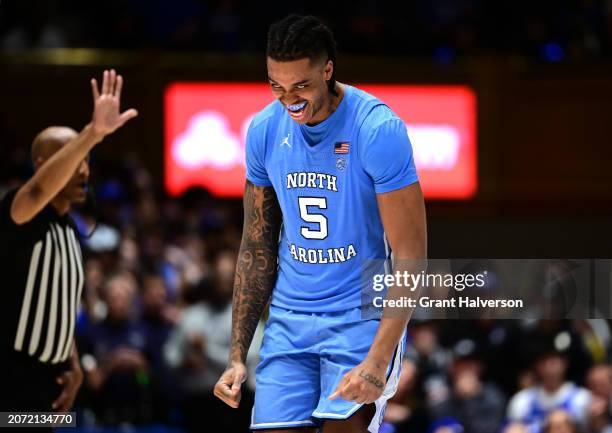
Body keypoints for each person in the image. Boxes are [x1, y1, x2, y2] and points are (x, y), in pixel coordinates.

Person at [214, 14, 426, 433]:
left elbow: (411, 254)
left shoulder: (377, 129)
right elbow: (256, 247)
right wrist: (237, 354)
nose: (288, 99)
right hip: (289, 319)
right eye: (276, 86)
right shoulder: (263, 131)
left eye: (301, 86)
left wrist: (378, 360)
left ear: (327, 70)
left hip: (359, 319)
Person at [0, 69, 137, 421]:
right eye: (74, 159)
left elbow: (58, 306)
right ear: (44, 166)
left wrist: (73, 363)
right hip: (12, 377)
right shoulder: (20, 210)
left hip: (52, 378)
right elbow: (37, 190)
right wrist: (93, 133)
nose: (83, 171)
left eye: (87, 161)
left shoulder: (71, 230)